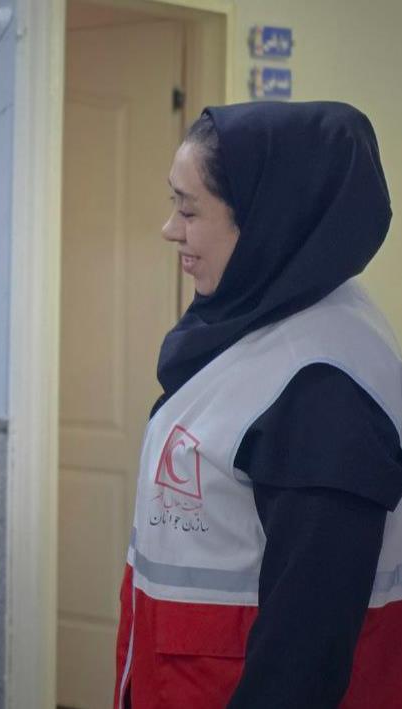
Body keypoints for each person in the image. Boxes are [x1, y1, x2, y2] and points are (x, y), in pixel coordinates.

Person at [114, 102, 402, 708]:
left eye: (190, 209)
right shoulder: (258, 321)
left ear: (268, 220)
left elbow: (303, 656)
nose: (170, 229)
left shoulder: (321, 389)